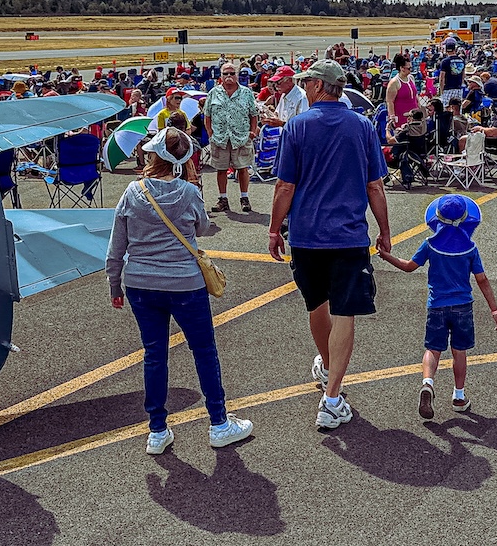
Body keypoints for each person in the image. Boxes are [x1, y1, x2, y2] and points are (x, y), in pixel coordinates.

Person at [106, 127, 253, 454]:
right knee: (203, 350)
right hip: (185, 283)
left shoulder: (132, 191)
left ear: (153, 153)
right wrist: (190, 180)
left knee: (154, 354)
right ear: (185, 158)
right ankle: (218, 422)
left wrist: (115, 285)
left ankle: (157, 429)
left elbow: (116, 249)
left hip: (141, 283)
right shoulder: (188, 192)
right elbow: (203, 227)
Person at [269, 59, 391, 432]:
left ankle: (327, 370)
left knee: (316, 303)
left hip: (307, 235)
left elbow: (285, 185)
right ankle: (332, 395)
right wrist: (385, 230)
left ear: (320, 86)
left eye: (307, 82)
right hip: (349, 234)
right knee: (345, 311)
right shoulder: (362, 125)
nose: (304, 87)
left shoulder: (298, 126)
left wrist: (274, 229)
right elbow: (375, 185)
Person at [376, 194, 497, 420]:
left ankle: (427, 383)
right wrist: (494, 309)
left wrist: (386, 256)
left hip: (437, 306)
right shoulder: (470, 248)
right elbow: (482, 280)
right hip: (463, 306)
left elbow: (408, 267)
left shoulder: (430, 245)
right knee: (459, 351)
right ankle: (459, 396)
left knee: (433, 349)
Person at [202, 66, 257, 214]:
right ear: (221, 76)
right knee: (221, 169)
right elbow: (207, 115)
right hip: (220, 137)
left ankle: (244, 198)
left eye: (232, 73)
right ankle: (223, 199)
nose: (229, 76)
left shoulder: (246, 93)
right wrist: (210, 134)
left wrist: (252, 132)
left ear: (237, 75)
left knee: (242, 168)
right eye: (225, 73)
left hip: (241, 136)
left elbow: (253, 114)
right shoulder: (213, 93)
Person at [384, 52, 419, 133]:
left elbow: (415, 96)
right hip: (401, 116)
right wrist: (392, 117)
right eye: (409, 68)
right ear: (402, 68)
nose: (411, 70)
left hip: (414, 115)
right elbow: (390, 101)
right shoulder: (394, 82)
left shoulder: (411, 78)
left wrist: (419, 108)